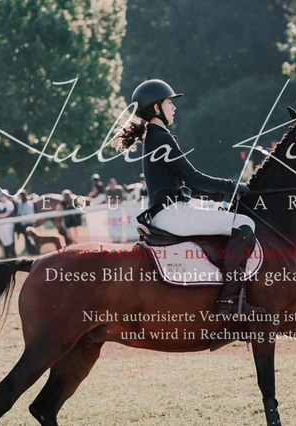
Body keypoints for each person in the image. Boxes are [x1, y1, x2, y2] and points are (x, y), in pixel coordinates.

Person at [112, 79, 263, 315]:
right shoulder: (161, 137)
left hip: (170, 212)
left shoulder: (154, 136)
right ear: (156, 108)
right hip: (173, 214)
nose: (174, 108)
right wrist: (236, 187)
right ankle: (231, 302)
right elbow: (194, 178)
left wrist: (226, 195)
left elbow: (189, 185)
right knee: (244, 224)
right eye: (169, 103)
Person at [0, 190, 16, 258]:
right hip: (0, 224)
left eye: (3, 196)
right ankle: (6, 254)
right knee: (3, 239)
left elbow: (8, 213)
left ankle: (12, 254)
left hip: (8, 224)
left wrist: (0, 216)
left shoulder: (9, 204)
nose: (2, 197)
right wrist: (1, 216)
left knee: (9, 238)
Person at [17, 189, 37, 254]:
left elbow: (28, 214)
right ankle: (30, 252)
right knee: (26, 238)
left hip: (29, 223)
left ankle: (34, 251)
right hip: (23, 224)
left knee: (31, 238)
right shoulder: (20, 204)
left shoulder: (28, 203)